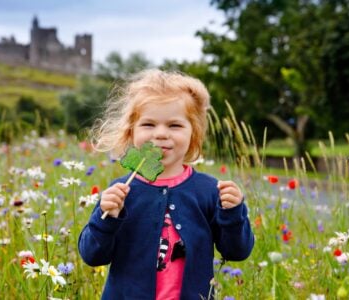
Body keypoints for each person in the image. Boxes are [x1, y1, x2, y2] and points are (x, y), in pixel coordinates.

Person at [78, 69, 254, 299]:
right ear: (131, 132)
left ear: (194, 133)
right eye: (148, 124)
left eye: (174, 125)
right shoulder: (120, 192)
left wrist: (233, 213)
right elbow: (92, 256)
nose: (160, 134)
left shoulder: (209, 191)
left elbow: (237, 251)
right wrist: (107, 217)